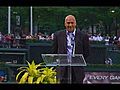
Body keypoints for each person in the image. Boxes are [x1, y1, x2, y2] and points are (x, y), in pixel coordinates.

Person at [52, 15, 89, 84]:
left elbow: (86, 52)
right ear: (65, 24)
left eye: (72, 23)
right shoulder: (58, 35)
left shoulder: (83, 36)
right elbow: (54, 51)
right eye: (68, 23)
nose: (70, 25)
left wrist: (79, 62)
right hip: (62, 70)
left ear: (75, 23)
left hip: (77, 70)